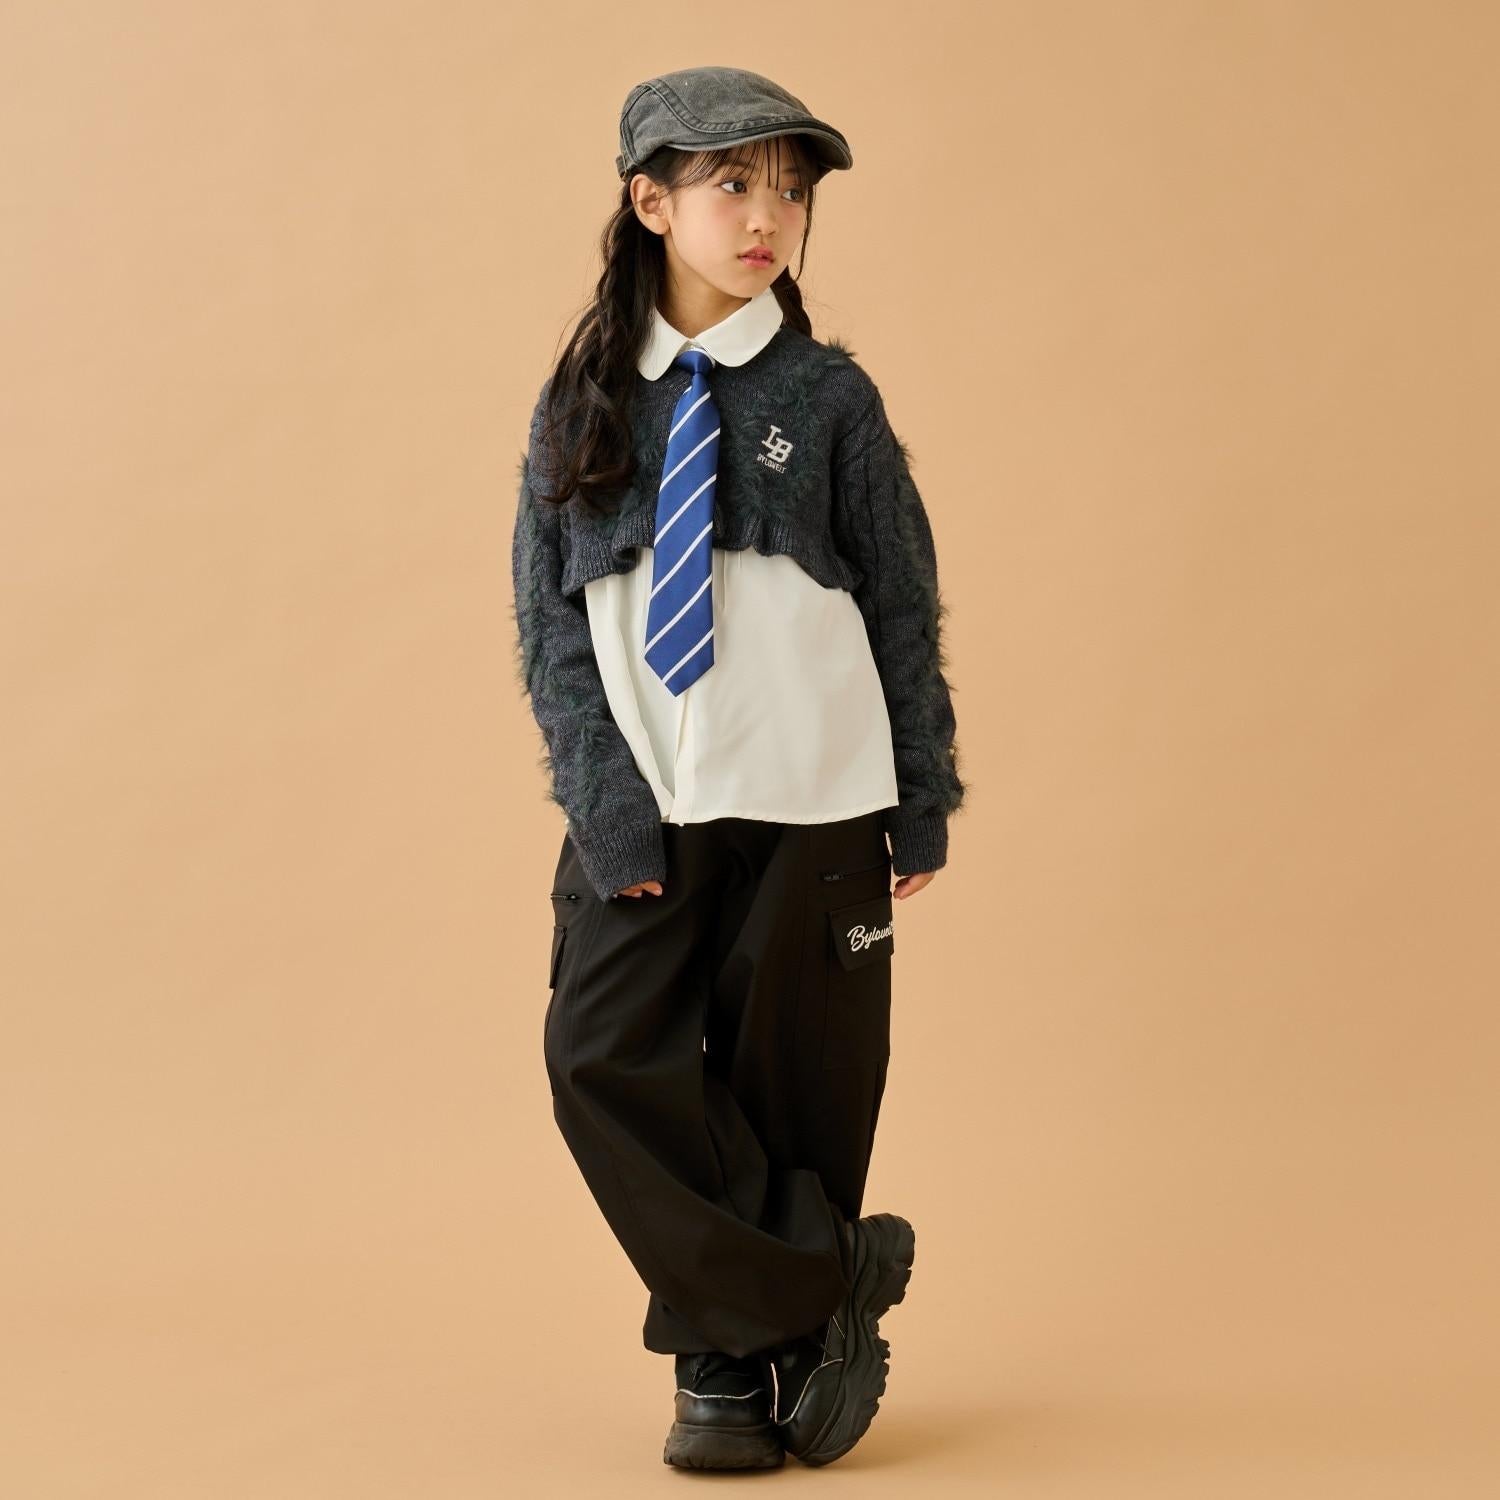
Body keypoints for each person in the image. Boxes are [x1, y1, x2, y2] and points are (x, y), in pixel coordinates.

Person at [510, 65, 967, 1471]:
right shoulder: (585, 404)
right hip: (651, 798)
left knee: (798, 1078)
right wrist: (605, 802)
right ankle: (819, 1281)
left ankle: (725, 1362)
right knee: (602, 1057)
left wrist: (922, 790)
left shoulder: (829, 398)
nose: (767, 216)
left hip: (815, 791)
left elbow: (902, 600)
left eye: (790, 191)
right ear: (651, 203)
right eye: (731, 185)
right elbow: (550, 629)